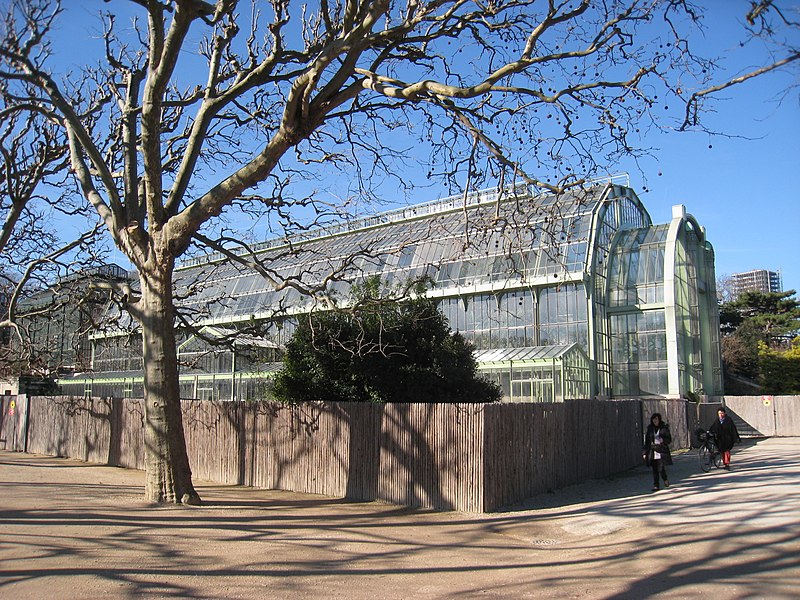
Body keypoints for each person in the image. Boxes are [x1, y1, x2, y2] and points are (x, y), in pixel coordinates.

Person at [643, 412, 672, 491]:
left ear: (659, 420)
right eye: (653, 419)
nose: (655, 421)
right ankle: (656, 485)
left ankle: (665, 479)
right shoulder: (650, 428)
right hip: (652, 450)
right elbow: (647, 441)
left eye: (656, 419)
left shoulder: (664, 428)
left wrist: (663, 441)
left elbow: (669, 439)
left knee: (661, 468)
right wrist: (645, 452)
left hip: (661, 450)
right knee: (654, 469)